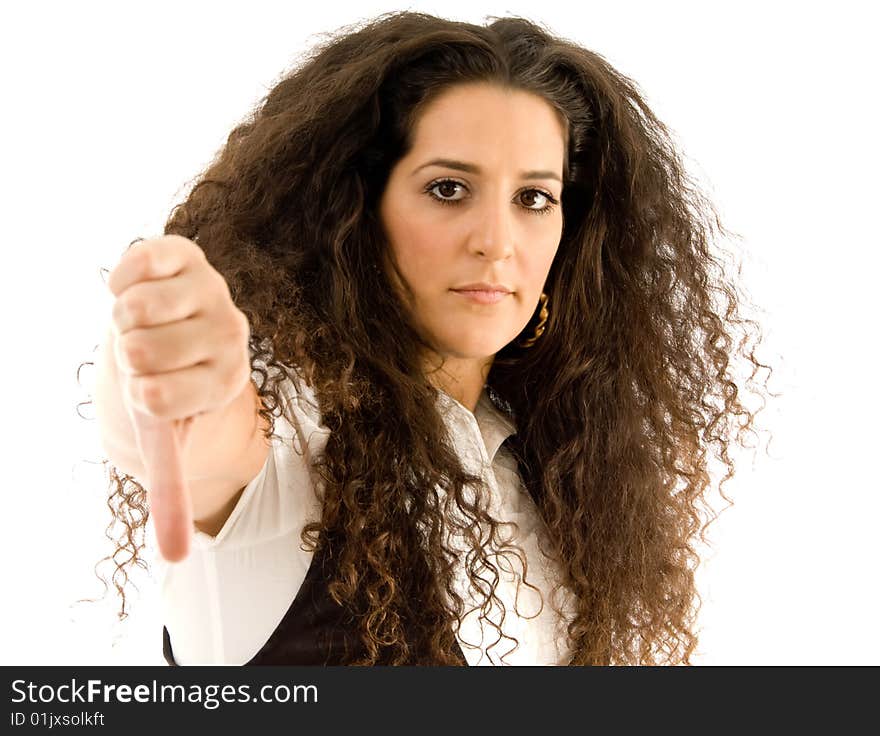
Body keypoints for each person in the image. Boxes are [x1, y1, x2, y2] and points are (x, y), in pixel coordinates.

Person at [86, 10, 771, 666]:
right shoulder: (294, 442)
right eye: (448, 189)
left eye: (533, 198)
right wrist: (172, 372)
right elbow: (201, 442)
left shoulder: (556, 472)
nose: (496, 243)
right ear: (354, 211)